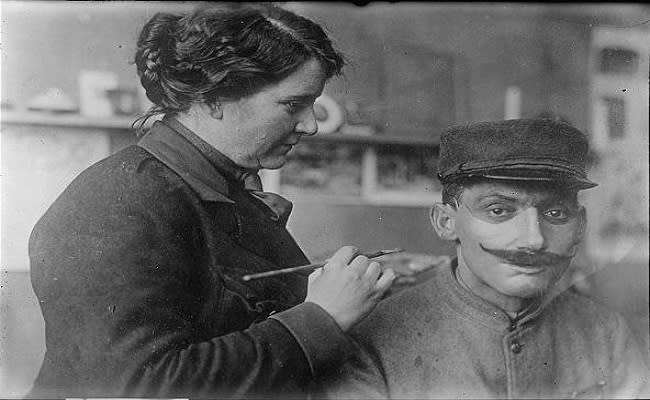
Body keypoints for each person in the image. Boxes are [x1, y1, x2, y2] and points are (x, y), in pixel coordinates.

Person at [27, 4, 396, 398]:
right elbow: (136, 385)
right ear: (216, 97)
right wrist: (321, 317)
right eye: (293, 105)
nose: (311, 125)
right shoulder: (117, 201)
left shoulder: (220, 191)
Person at [317, 119, 650, 399]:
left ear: (581, 226)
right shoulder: (372, 338)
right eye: (499, 210)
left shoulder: (606, 332)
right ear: (446, 222)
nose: (533, 239)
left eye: (555, 212)